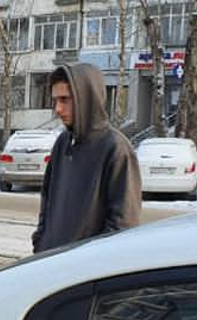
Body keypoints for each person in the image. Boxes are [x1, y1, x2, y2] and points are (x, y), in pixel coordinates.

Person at [31, 64, 141, 254]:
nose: (57, 108)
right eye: (55, 100)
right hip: (50, 266)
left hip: (85, 275)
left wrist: (87, 266)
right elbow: (47, 203)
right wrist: (40, 243)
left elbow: (123, 226)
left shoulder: (115, 149)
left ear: (87, 98)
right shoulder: (63, 142)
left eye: (65, 100)